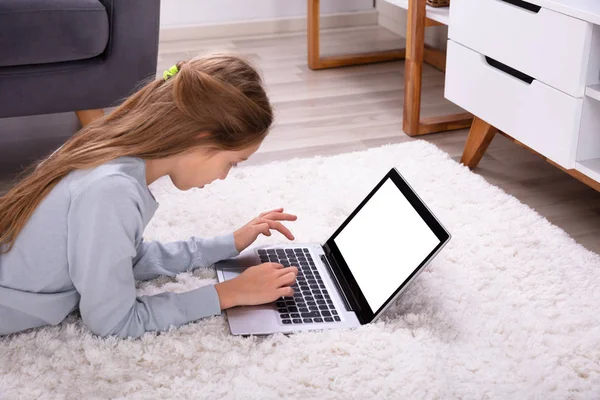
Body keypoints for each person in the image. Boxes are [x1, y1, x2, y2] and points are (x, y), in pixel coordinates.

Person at [0, 53, 299, 338]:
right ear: (202, 138)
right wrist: (229, 294)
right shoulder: (111, 191)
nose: (224, 176)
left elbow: (128, 259)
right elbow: (114, 321)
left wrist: (229, 243)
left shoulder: (111, 154)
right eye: (230, 163)